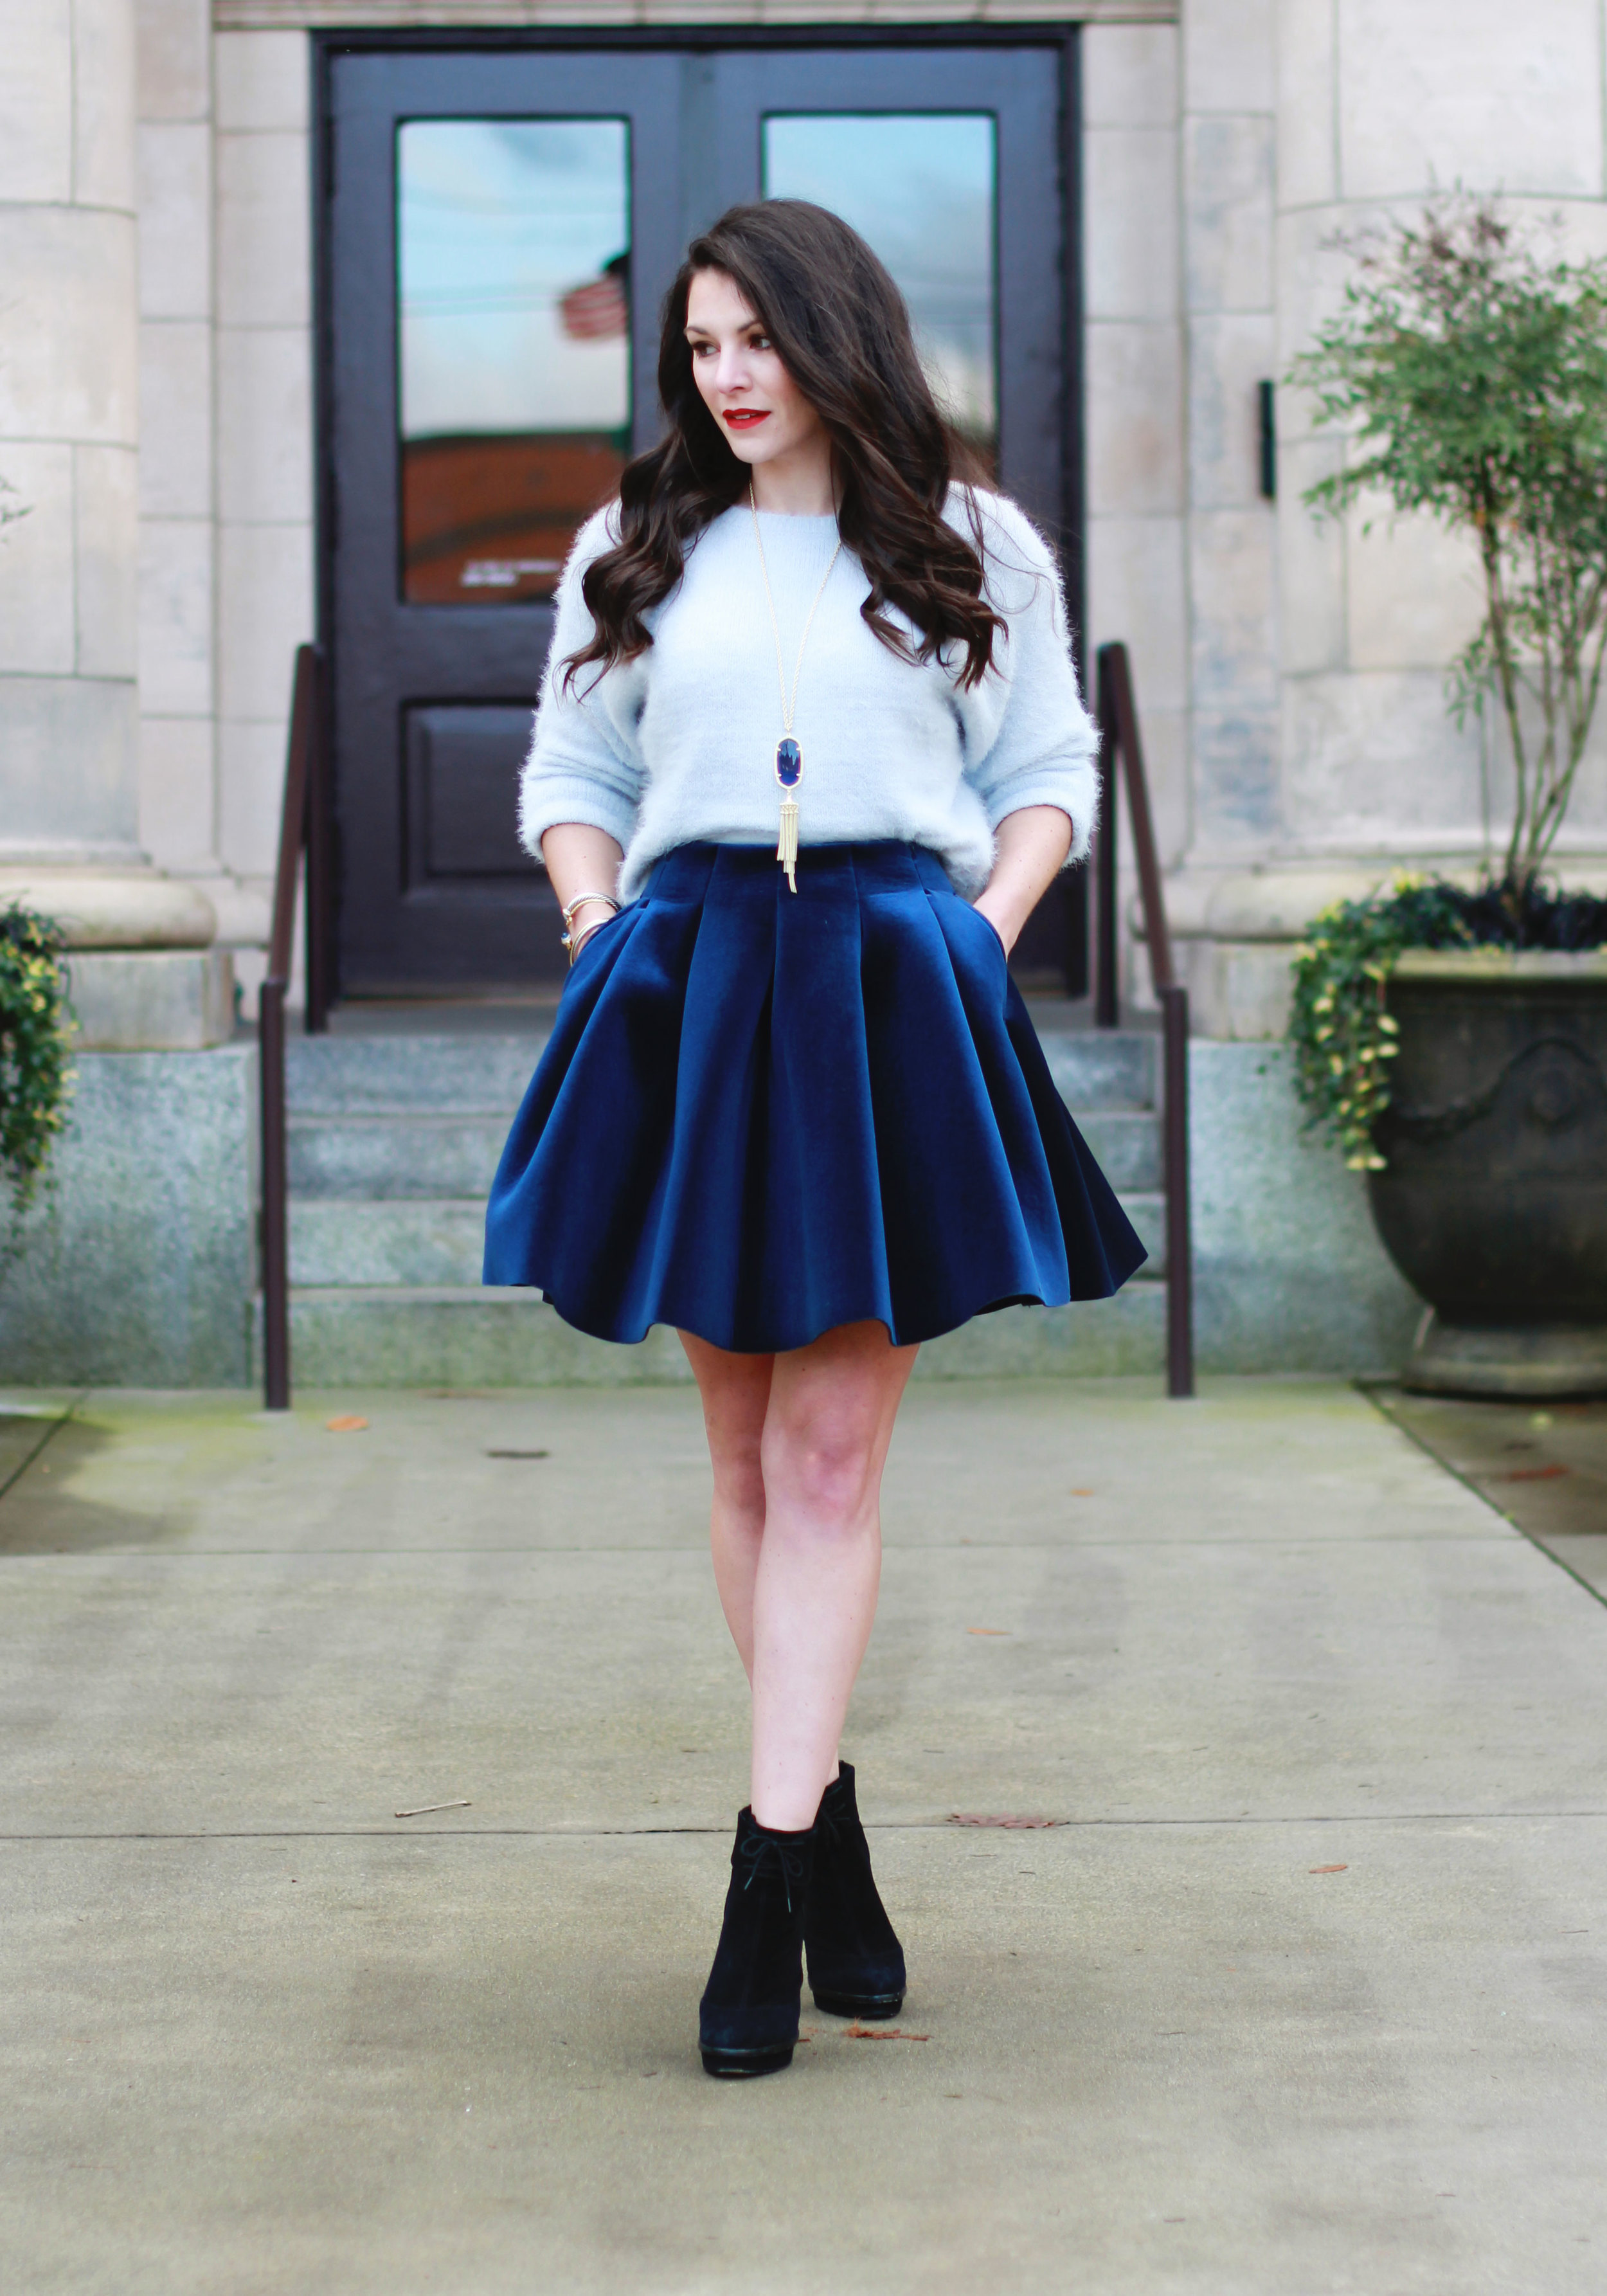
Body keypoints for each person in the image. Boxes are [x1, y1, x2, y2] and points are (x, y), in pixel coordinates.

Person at [484, 200, 1145, 2079]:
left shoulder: (968, 540)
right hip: (690, 981)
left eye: (755, 339)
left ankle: (761, 1887)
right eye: (700, 350)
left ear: (834, 333)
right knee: (748, 1457)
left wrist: (980, 930)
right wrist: (595, 921)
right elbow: (570, 771)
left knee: (835, 1446)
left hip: (883, 982)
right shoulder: (635, 546)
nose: (729, 377)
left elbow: (1047, 768)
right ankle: (831, 1835)